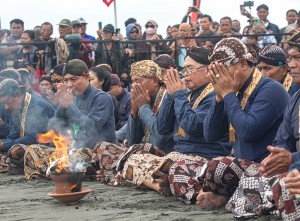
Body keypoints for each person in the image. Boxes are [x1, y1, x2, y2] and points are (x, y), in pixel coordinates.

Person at [170, 37, 290, 209]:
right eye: (215, 71)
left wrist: (227, 94)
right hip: (238, 168)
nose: (219, 76)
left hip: (263, 168)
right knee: (179, 167)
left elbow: (248, 132)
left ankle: (223, 198)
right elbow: (210, 135)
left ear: (242, 63)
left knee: (219, 166)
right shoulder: (234, 90)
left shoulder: (270, 89)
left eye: (222, 69)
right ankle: (208, 195)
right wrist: (219, 99)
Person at [107, 47, 231, 195]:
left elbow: (190, 126)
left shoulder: (213, 94)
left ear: (208, 70)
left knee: (173, 168)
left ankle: (162, 183)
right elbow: (163, 127)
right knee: (129, 159)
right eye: (184, 70)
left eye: (190, 69)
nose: (185, 74)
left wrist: (170, 97)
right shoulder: (187, 93)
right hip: (178, 156)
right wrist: (139, 110)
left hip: (202, 157)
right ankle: (160, 185)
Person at [226, 31, 300, 220]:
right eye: (290, 58)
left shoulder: (273, 91)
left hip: (295, 169)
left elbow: (247, 132)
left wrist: (293, 161)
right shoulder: (296, 100)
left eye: (297, 58)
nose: (291, 64)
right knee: (251, 175)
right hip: (292, 168)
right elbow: (282, 139)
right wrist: (281, 160)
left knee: (287, 188)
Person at [24, 59, 116, 179]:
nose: (69, 84)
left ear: (87, 77)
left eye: (73, 79)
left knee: (73, 159)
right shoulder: (70, 97)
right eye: (66, 80)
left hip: (95, 152)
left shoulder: (102, 98)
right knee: (32, 151)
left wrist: (69, 105)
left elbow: (92, 128)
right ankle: (61, 171)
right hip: (72, 150)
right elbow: (53, 129)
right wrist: (62, 107)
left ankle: (61, 172)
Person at [0, 78, 55, 174]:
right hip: (31, 147)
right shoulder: (17, 109)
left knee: (16, 150)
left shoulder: (37, 104)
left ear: (17, 94)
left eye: (7, 101)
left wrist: (5, 145)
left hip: (49, 147)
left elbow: (33, 137)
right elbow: (13, 134)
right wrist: (3, 144)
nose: (6, 107)